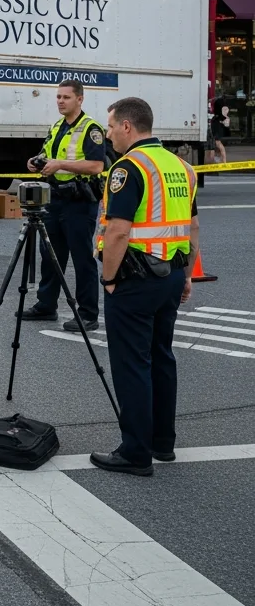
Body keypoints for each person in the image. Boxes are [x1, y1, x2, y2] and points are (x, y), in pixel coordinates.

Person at [90, 96, 199, 476]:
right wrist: (186, 276)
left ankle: (135, 452)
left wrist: (108, 278)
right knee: (162, 357)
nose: (107, 135)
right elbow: (192, 226)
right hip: (170, 273)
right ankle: (162, 443)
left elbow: (118, 231)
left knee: (131, 363)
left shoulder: (128, 167)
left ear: (126, 127)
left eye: (109, 127)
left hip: (136, 278)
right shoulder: (182, 167)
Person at [19, 78, 106, 332]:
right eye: (58, 97)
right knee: (50, 255)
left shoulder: (92, 129)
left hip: (79, 202)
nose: (60, 101)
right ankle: (47, 305)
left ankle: (88, 314)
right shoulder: (57, 126)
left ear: (80, 99)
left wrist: (60, 164)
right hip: (55, 198)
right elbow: (48, 154)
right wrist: (36, 161)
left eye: (66, 97)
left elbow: (96, 166)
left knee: (81, 259)